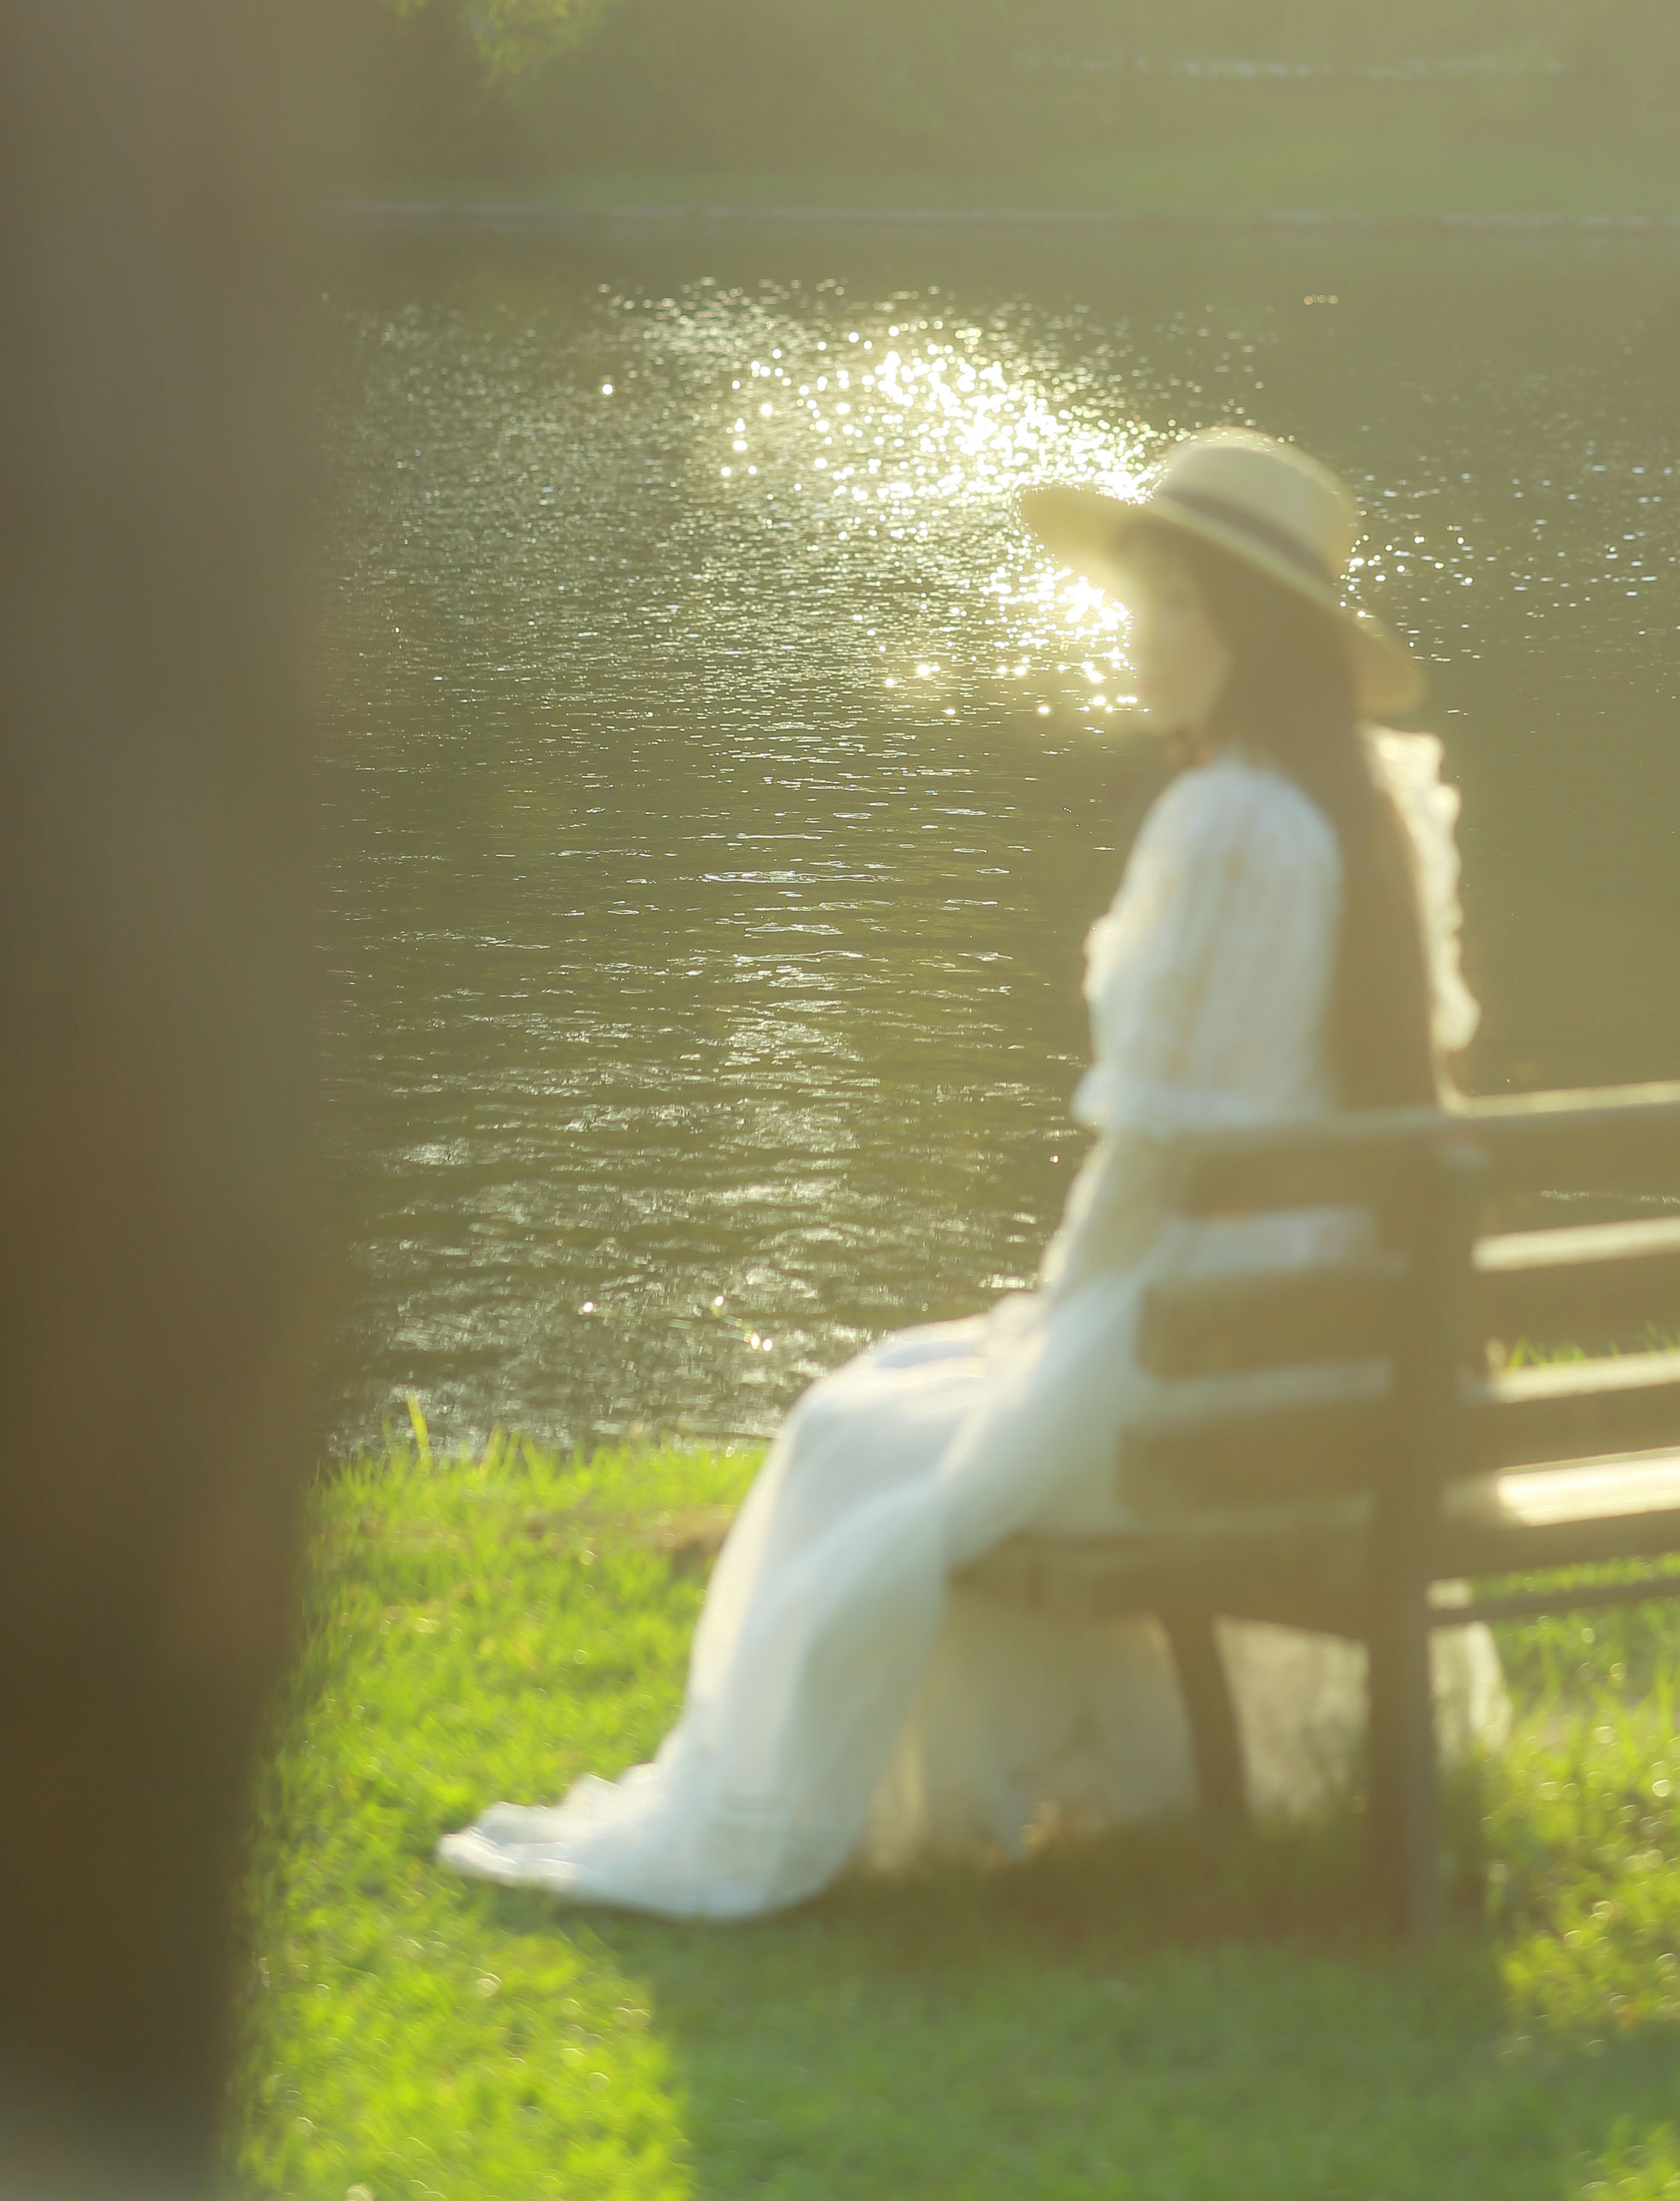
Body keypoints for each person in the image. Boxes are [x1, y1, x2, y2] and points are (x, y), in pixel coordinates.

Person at [437, 428, 1500, 1918]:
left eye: (1172, 607)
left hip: (1199, 1382)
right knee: (907, 1397)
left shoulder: (1226, 821)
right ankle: (1101, 1782)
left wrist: (1054, 1329)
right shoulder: (1370, 815)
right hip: (1340, 1364)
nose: (1141, 639)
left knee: (847, 1434)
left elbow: (1157, 1156)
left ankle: (857, 1803)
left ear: (1245, 634)